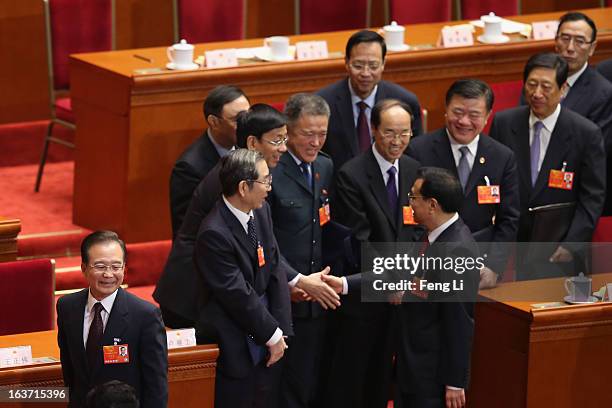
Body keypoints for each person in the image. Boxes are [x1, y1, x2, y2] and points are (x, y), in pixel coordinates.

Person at [155, 104, 337, 330]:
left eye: (284, 139)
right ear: (252, 143)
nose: (283, 148)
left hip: (219, 289)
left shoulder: (255, 177)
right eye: (276, 140)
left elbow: (265, 246)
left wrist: (292, 281)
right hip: (191, 294)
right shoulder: (228, 178)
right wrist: (299, 280)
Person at [323, 167, 480, 408]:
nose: (409, 204)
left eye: (414, 198)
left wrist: (455, 382)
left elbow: (458, 322)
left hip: (432, 375)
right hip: (411, 366)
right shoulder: (430, 237)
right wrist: (343, 283)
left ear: (432, 205)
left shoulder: (457, 250)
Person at [329, 99, 421, 408]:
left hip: (404, 294)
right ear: (373, 131)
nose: (397, 142)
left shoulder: (413, 169)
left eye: (405, 133)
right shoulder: (351, 175)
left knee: (386, 381)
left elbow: (418, 229)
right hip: (365, 297)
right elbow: (360, 239)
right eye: (390, 133)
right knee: (357, 381)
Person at [490, 53, 605, 279]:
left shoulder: (585, 133)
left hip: (558, 248)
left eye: (546, 86)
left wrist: (571, 244)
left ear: (563, 90)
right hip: (512, 245)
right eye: (531, 85)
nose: (537, 93)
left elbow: (592, 197)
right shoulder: (505, 123)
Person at [194, 149, 292, 408]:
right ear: (243, 187)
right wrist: (271, 333)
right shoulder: (214, 233)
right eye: (265, 181)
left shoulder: (261, 212)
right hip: (235, 343)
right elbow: (237, 294)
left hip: (267, 332)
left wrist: (280, 329)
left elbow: (274, 266)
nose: (270, 187)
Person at [407, 79, 520, 288]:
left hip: (482, 265)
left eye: (474, 115)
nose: (464, 121)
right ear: (446, 110)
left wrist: (494, 267)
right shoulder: (418, 151)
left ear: (487, 117)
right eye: (458, 112)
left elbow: (509, 219)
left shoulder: (502, 157)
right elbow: (411, 213)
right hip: (430, 265)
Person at [267, 93, 337, 408]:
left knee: (305, 384)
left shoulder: (325, 165)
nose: (315, 142)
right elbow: (263, 242)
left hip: (314, 299)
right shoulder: (271, 171)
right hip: (278, 296)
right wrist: (292, 280)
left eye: (322, 133)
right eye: (308, 134)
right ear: (289, 131)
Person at [57, 231, 168, 408]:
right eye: (100, 266)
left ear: (124, 268)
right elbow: (69, 370)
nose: (108, 274)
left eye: (116, 267)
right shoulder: (67, 306)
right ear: (84, 268)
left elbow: (156, 385)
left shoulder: (145, 315)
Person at [317, 30, 423, 172]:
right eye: (358, 66)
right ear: (346, 63)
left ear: (383, 64)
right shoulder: (324, 102)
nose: (366, 73)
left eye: (373, 66)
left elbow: (414, 153)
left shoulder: (404, 101)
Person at [169, 85, 250, 236]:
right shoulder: (189, 167)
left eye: (247, 116)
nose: (245, 125)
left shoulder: (249, 148)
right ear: (214, 122)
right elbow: (187, 230)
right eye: (237, 120)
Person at [554, 12, 612, 214]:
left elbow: (593, 154)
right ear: (555, 41)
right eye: (565, 38)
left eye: (580, 41)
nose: (570, 48)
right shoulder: (540, 78)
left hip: (574, 188)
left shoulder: (603, 93)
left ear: (592, 48)